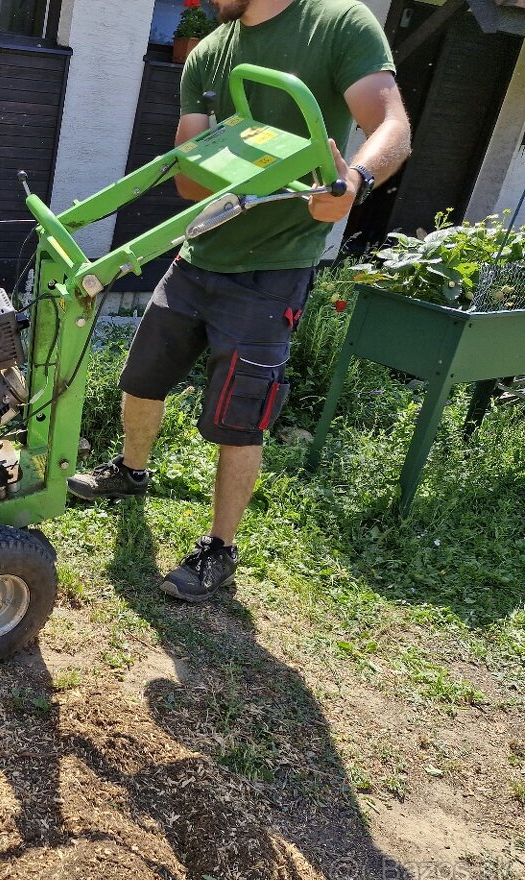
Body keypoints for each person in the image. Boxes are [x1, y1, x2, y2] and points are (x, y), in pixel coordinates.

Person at [68, 0, 411, 601]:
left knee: (239, 419)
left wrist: (350, 182)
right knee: (142, 377)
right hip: (198, 254)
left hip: (272, 270)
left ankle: (220, 549)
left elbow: (393, 127)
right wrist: (235, 158)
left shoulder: (337, 24)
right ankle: (131, 471)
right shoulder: (209, 51)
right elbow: (187, 175)